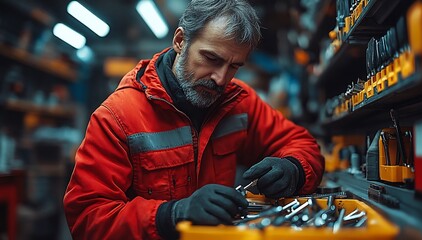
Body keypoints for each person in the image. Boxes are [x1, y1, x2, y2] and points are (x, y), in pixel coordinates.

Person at [63, 0, 325, 239]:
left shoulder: (240, 103)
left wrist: (294, 168)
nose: (221, 79)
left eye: (234, 66)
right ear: (180, 41)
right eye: (212, 59)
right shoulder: (117, 117)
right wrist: (171, 215)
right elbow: (88, 218)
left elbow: (303, 144)